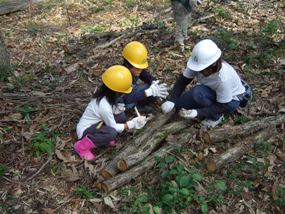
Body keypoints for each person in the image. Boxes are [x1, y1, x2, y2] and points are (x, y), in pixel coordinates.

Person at [161, 39, 252, 127]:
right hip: (210, 92)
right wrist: (172, 100)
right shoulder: (198, 63)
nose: (198, 71)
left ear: (213, 65)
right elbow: (183, 80)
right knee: (178, 105)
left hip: (230, 101)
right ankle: (203, 102)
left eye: (201, 69)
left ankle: (216, 117)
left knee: (198, 92)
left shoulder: (223, 79)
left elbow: (223, 105)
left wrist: (197, 112)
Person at [74, 65, 148, 161]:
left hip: (97, 124)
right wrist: (131, 124)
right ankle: (81, 147)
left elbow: (115, 112)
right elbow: (113, 127)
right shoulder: (103, 105)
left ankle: (103, 138)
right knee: (111, 132)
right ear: (115, 92)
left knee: (121, 116)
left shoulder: (106, 96)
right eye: (122, 92)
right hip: (85, 130)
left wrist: (119, 109)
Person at [119, 41, 169, 112]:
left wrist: (155, 84)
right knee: (128, 106)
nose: (140, 70)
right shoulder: (121, 77)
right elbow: (126, 98)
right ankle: (137, 107)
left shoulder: (134, 69)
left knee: (153, 90)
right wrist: (148, 92)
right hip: (123, 100)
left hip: (132, 91)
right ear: (128, 64)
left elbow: (147, 76)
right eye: (138, 68)